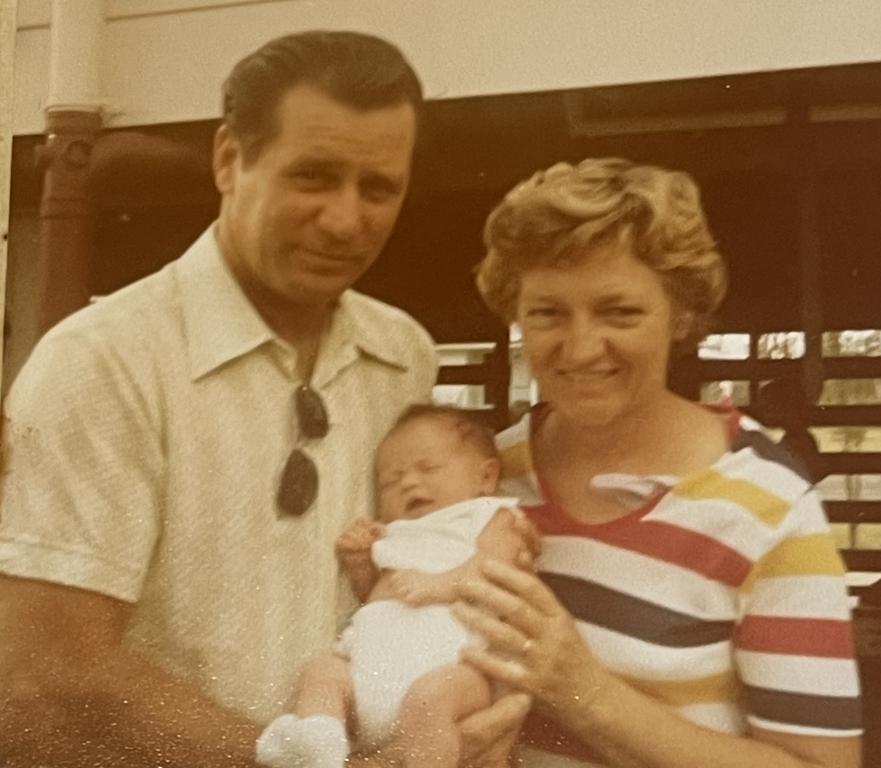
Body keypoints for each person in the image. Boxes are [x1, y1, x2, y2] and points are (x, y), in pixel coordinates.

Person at [0, 31, 526, 768]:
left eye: (378, 188)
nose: (347, 221)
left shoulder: (400, 353)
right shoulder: (103, 362)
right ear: (228, 160)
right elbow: (40, 676)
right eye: (313, 176)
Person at [454, 158, 864, 768]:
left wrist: (585, 692)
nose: (582, 347)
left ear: (684, 315)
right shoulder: (484, 477)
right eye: (547, 313)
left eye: (619, 312)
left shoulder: (767, 503)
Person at [257, 404, 531, 768]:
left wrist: (441, 584)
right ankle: (318, 746)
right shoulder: (396, 532)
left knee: (429, 703)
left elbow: (497, 567)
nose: (409, 482)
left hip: (449, 671)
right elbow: (377, 598)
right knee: (321, 672)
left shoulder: (490, 516)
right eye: (390, 480)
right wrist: (360, 565)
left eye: (428, 468)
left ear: (486, 475)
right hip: (368, 672)